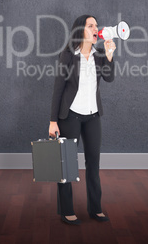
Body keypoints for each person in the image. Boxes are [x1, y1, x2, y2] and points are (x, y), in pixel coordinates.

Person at [49, 14, 116, 225]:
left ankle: (96, 209)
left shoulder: (99, 55)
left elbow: (109, 77)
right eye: (91, 25)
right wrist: (53, 121)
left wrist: (110, 55)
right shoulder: (68, 55)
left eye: (96, 25)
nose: (96, 28)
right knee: (67, 165)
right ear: (80, 30)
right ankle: (67, 211)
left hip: (93, 117)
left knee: (93, 164)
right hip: (70, 117)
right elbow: (58, 89)